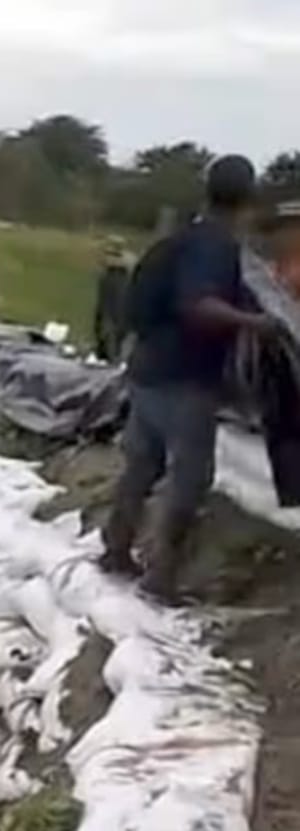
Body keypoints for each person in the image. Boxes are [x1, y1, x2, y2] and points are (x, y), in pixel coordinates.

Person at [99, 155, 283, 604]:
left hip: (147, 371)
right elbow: (198, 305)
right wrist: (256, 323)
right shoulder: (215, 247)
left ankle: (116, 550)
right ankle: (160, 578)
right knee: (190, 477)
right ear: (248, 200)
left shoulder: (176, 240)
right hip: (184, 378)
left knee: (142, 465)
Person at [93, 236, 134, 363]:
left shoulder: (118, 272)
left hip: (113, 313)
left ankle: (111, 358)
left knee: (110, 334)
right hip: (111, 311)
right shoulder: (112, 272)